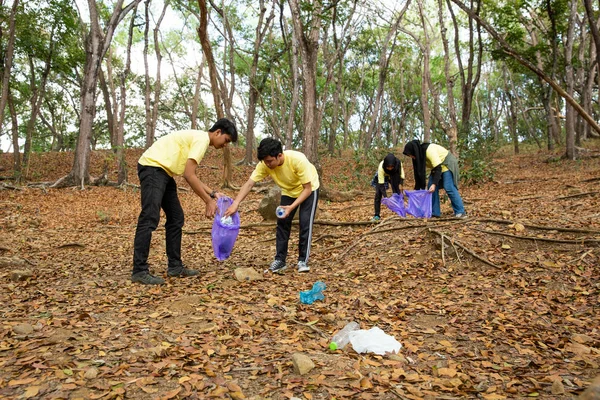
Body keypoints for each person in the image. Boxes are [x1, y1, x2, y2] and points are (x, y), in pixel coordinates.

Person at [131, 118, 238, 285]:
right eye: (226, 140)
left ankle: (175, 267)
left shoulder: (199, 139)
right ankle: (139, 270)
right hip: (152, 167)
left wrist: (213, 194)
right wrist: (207, 201)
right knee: (150, 217)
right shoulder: (202, 140)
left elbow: (191, 174)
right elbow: (189, 175)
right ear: (218, 132)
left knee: (176, 218)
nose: (225, 145)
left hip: (164, 172)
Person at [224, 138, 319, 274]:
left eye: (269, 161)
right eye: (265, 161)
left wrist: (291, 207)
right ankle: (280, 260)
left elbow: (307, 189)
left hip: (309, 189)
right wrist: (236, 204)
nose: (267, 164)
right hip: (289, 191)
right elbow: (249, 184)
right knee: (282, 223)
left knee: (305, 222)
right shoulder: (264, 164)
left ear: (280, 155)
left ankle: (302, 260)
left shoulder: (298, 160)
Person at [402, 139, 466, 218]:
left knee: (448, 186)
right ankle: (435, 212)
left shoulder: (429, 150)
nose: (411, 157)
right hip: (437, 168)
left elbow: (438, 168)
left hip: (446, 163)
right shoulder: (419, 156)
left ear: (414, 151)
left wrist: (435, 183)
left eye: (410, 154)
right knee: (430, 188)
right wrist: (417, 190)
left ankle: (460, 211)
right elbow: (419, 173)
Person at [371, 153, 405, 221]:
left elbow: (401, 175)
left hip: (394, 174)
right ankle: (377, 215)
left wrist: (401, 185)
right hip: (383, 176)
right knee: (378, 194)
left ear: (394, 165)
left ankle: (401, 212)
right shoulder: (381, 167)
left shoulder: (398, 163)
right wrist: (386, 197)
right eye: (388, 167)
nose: (389, 168)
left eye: (391, 167)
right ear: (385, 165)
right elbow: (381, 184)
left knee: (397, 192)